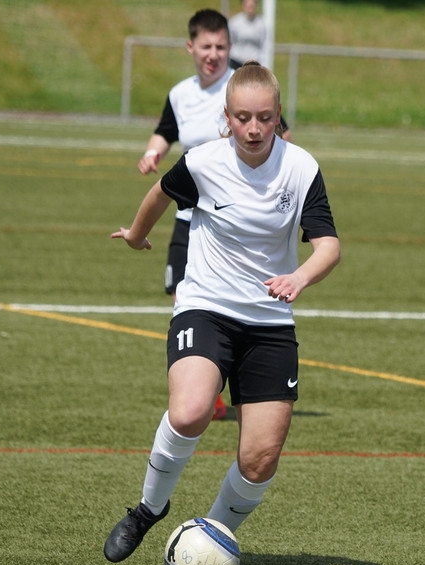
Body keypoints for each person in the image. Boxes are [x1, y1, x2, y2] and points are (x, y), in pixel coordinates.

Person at [104, 61, 341, 564]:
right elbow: (160, 195)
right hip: (205, 308)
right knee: (190, 412)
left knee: (260, 459)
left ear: (279, 117)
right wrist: (137, 235)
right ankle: (147, 510)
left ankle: (210, 534)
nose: (253, 129)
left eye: (264, 117)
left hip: (270, 324)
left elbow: (328, 246)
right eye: (242, 118)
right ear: (226, 118)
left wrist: (300, 277)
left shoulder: (301, 168)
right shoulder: (203, 161)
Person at [137, 8, 289, 420]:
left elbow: (282, 133)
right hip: (191, 216)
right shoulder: (180, 94)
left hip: (237, 222)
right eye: (206, 46)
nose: (214, 54)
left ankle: (236, 380)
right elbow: (166, 132)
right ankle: (202, 378)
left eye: (221, 46)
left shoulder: (243, 86)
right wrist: (153, 153)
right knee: (181, 293)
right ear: (191, 47)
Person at [228, 0, 267, 66]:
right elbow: (230, 41)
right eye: (248, 6)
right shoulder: (235, 22)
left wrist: (264, 63)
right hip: (237, 61)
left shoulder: (261, 24)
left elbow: (264, 45)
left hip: (253, 63)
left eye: (252, 6)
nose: (250, 9)